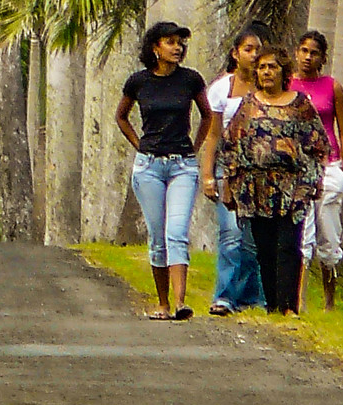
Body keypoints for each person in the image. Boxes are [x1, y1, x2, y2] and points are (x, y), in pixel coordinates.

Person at [220, 44, 331, 316]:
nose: (267, 72)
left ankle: (288, 306)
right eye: (262, 67)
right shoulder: (248, 104)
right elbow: (231, 144)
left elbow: (318, 144)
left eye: (273, 67)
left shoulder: (300, 104)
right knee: (265, 248)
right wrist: (229, 183)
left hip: (292, 187)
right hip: (255, 187)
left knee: (289, 245)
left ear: (284, 72)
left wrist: (314, 179)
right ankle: (272, 305)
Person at [117, 20, 215, 321]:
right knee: (158, 236)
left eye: (179, 42)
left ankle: (181, 302)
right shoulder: (139, 81)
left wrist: (194, 147)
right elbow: (121, 116)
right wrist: (140, 145)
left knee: (176, 232)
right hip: (149, 166)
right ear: (155, 47)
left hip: (182, 165)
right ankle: (161, 303)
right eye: (170, 42)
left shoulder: (190, 80)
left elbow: (207, 115)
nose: (177, 48)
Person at [199, 22, 270, 317]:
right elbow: (212, 134)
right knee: (230, 234)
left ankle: (253, 297)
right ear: (235, 53)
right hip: (228, 171)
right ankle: (224, 296)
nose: (253, 56)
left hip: (261, 173)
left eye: (258, 50)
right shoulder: (221, 89)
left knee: (253, 240)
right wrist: (207, 175)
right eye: (248, 49)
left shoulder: (271, 88)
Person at [290, 30, 343, 310]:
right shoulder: (287, 86)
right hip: (298, 167)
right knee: (303, 234)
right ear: (296, 53)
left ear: (322, 58)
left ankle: (329, 301)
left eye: (313, 52)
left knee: (328, 234)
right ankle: (298, 299)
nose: (307, 57)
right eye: (303, 50)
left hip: (330, 166)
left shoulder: (333, 87)